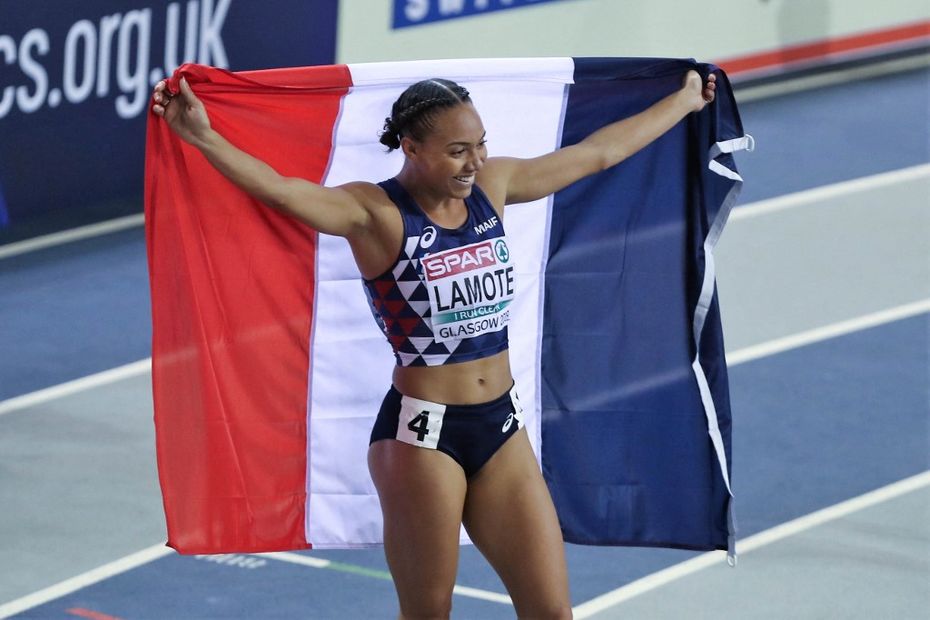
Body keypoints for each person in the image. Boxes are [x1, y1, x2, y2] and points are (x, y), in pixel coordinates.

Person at [152, 67, 716, 620]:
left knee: (551, 611)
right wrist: (202, 135)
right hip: (423, 436)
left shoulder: (493, 188)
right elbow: (280, 191)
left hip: (501, 426)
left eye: (480, 145)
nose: (474, 162)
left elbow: (598, 153)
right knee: (428, 613)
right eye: (457, 151)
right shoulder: (372, 213)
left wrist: (686, 102)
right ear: (411, 147)